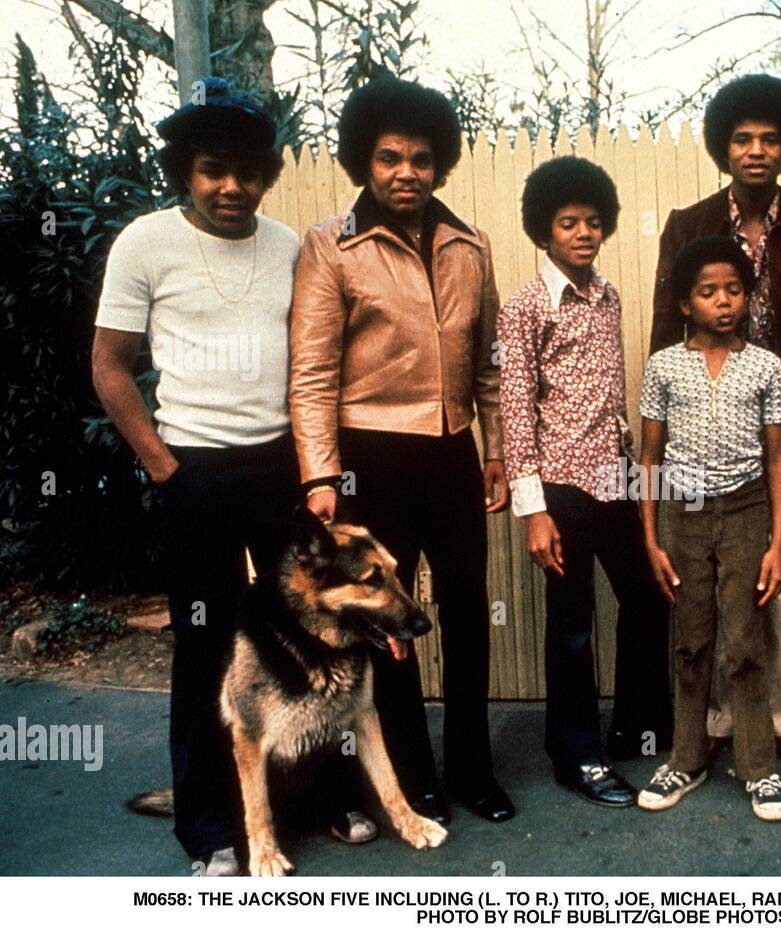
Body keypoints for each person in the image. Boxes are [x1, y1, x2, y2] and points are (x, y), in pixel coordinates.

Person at [290, 75, 514, 824]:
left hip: (452, 455)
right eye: (389, 157)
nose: (406, 172)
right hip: (369, 459)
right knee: (390, 623)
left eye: (421, 158)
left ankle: (474, 771)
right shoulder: (332, 247)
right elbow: (313, 372)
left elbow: (488, 364)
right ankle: (415, 777)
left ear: (440, 163)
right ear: (364, 161)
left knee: (468, 617)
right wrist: (322, 474)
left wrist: (497, 449)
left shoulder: (469, 243)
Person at [91, 78, 302, 873]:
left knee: (297, 642)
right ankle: (209, 828)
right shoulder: (145, 242)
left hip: (280, 466)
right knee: (207, 647)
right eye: (213, 169)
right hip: (195, 471)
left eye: (247, 172)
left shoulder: (288, 245)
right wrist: (165, 469)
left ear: (266, 176)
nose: (231, 187)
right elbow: (109, 367)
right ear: (186, 170)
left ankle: (304, 799)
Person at [649, 74, 781, 771]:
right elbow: (661, 326)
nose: (756, 149)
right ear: (723, 145)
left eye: (769, 138)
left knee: (778, 565)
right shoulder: (688, 224)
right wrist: (666, 420)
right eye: (743, 138)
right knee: (701, 566)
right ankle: (712, 717)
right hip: (704, 413)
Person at [498, 156, 672, 807]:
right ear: (543, 230)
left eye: (593, 222)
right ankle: (576, 755)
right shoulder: (524, 308)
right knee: (572, 625)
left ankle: (637, 726)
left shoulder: (608, 295)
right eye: (568, 222)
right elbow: (515, 410)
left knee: (648, 598)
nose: (583, 233)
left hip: (615, 479)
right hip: (562, 489)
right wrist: (533, 509)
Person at [638, 236, 781, 822]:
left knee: (745, 642)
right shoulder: (663, 366)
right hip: (681, 514)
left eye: (734, 290)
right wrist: (652, 539)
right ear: (685, 304)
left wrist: (777, 545)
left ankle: (759, 767)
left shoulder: (765, 366)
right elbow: (649, 459)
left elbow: (777, 457)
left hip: (748, 510)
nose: (723, 302)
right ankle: (687, 757)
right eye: (708, 292)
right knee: (691, 639)